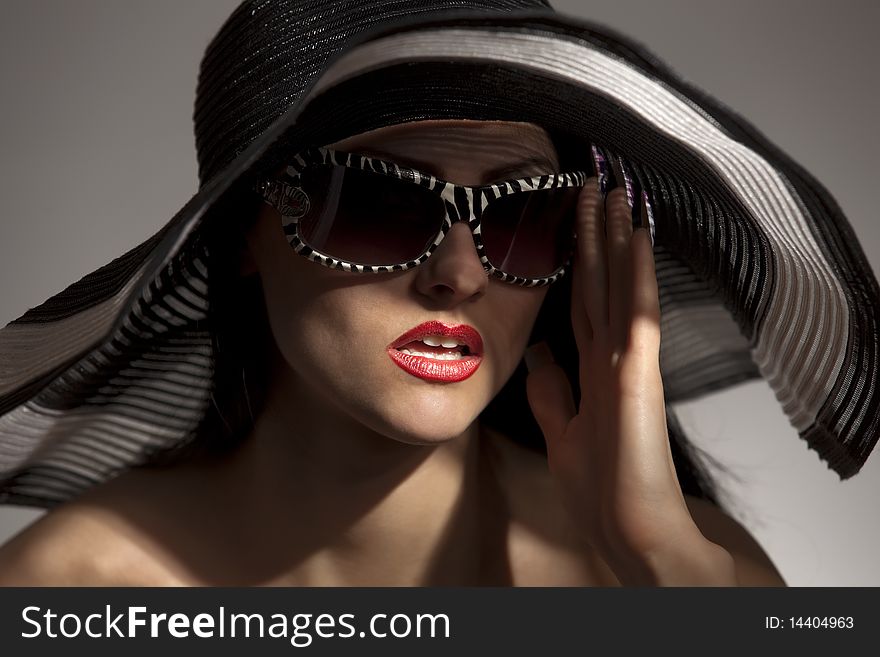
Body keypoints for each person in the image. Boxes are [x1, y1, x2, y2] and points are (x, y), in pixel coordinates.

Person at [0, 0, 875, 586]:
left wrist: (662, 572)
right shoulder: (71, 588)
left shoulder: (690, 570)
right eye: (379, 204)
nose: (459, 273)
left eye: (523, 218)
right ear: (241, 241)